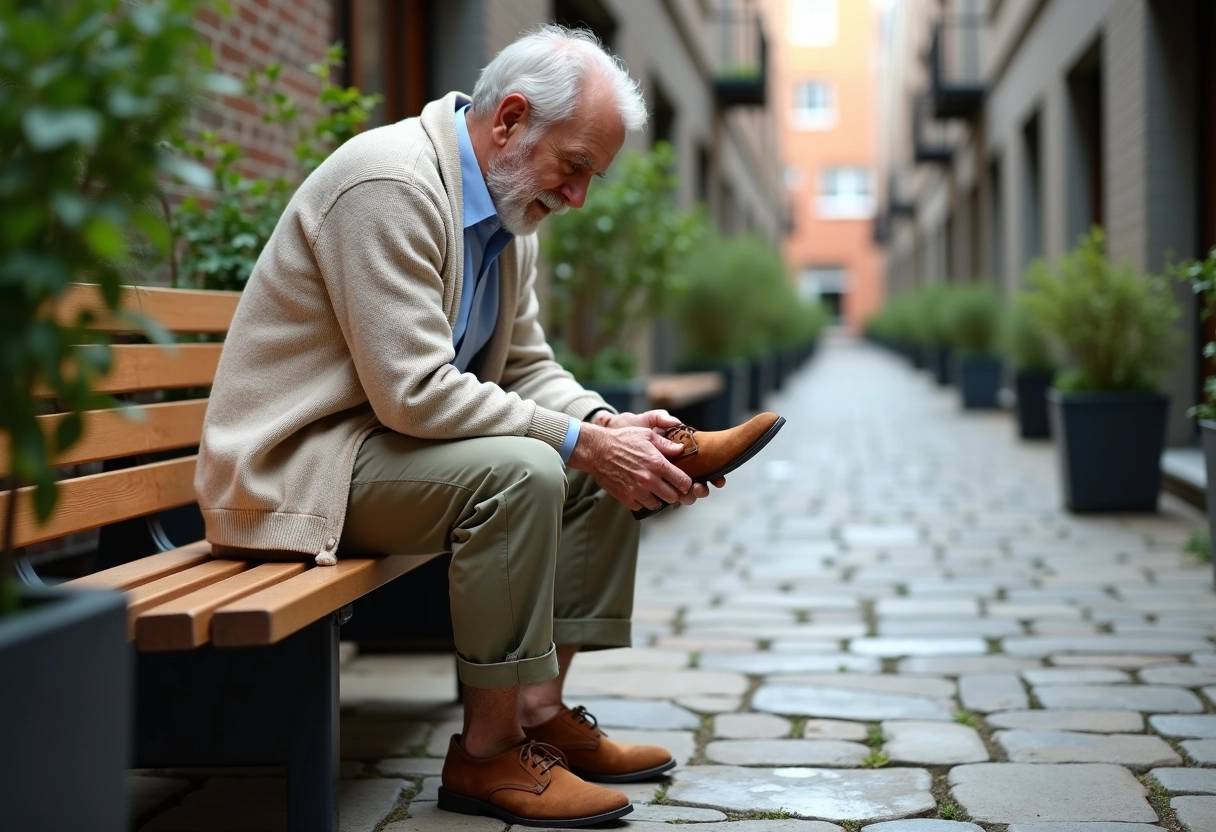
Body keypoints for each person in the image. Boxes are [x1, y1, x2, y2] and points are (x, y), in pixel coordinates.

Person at [196, 24, 779, 828]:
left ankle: (539, 718)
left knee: (591, 461)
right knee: (529, 468)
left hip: (382, 453)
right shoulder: (390, 185)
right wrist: (581, 440)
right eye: (574, 167)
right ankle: (485, 754)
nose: (577, 197)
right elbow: (413, 393)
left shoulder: (508, 221)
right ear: (509, 120)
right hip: (296, 469)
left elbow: (528, 367)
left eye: (591, 178)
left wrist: (610, 427)